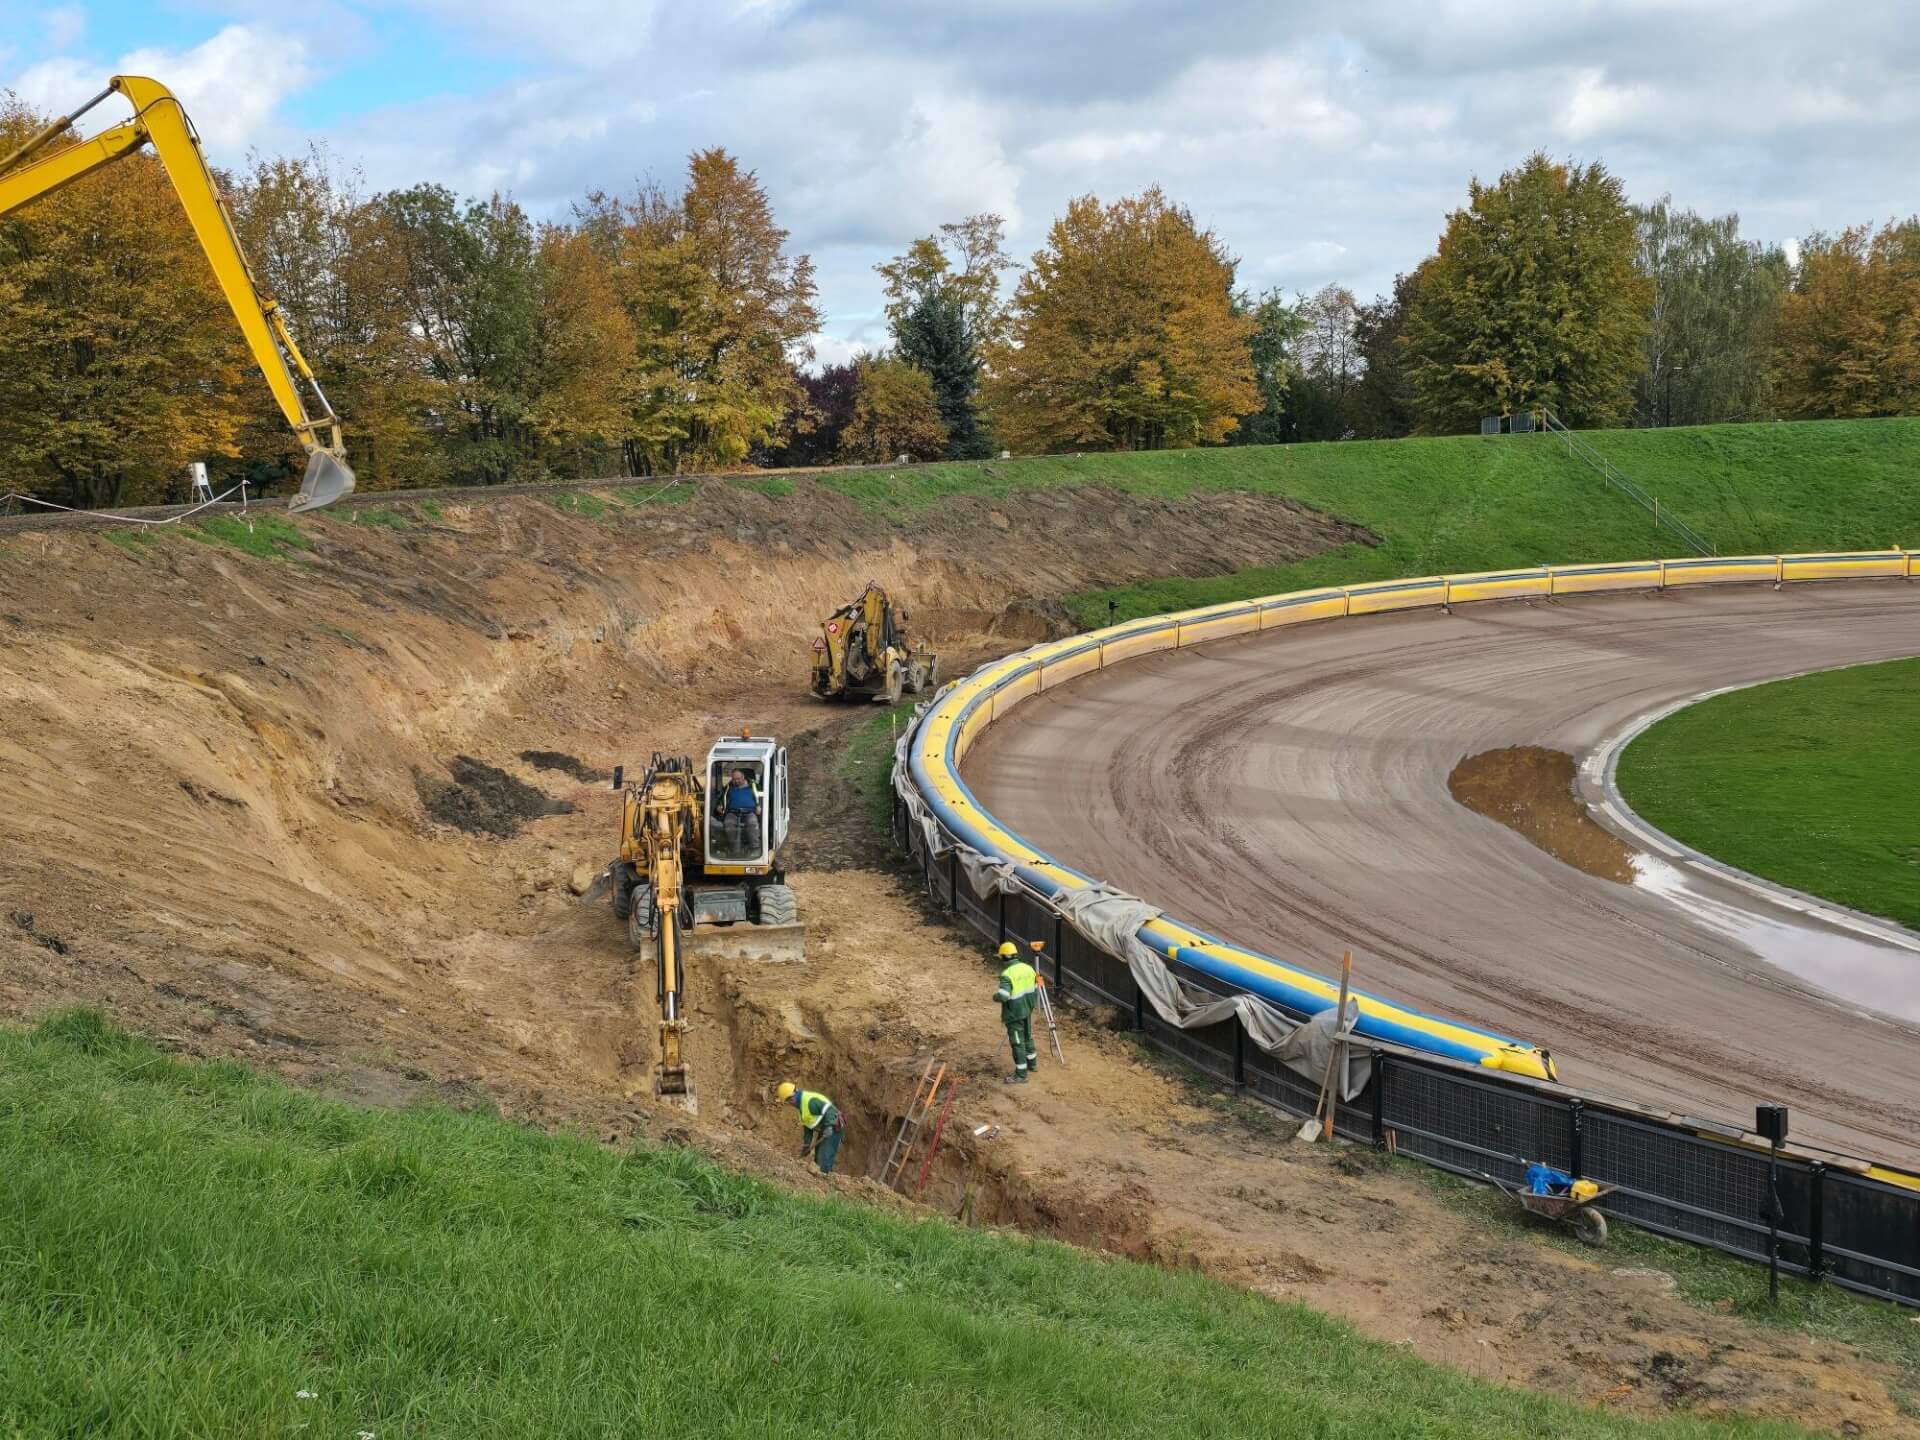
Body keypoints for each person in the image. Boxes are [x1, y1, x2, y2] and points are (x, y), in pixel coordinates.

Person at [993, 941, 1039, 1084]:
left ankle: (1021, 1075)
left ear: (1004, 957)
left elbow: (1003, 996)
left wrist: (995, 996)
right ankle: (1032, 1064)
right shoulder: (1028, 968)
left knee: (1018, 1043)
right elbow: (1035, 988)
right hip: (1027, 1009)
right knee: (1027, 1037)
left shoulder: (1007, 974)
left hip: (1014, 1014)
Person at [775, 1080, 843, 1173]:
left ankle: (824, 1178)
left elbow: (829, 1109)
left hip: (834, 1127)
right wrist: (807, 1145)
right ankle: (820, 1175)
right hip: (825, 1129)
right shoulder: (802, 1106)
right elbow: (808, 1127)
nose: (790, 1102)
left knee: (824, 1157)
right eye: (788, 1101)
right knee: (818, 1156)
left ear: (795, 1092)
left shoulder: (810, 1101)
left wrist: (829, 1126)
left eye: (790, 1099)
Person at [718, 767, 758, 856]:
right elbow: (721, 797)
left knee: (752, 823)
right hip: (733, 813)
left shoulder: (753, 785)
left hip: (749, 812)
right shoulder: (728, 787)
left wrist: (759, 806)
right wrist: (719, 805)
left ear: (743, 777)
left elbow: (763, 795)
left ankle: (755, 848)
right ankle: (735, 850)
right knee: (728, 824)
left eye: (738, 779)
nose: (736, 781)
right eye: (734, 779)